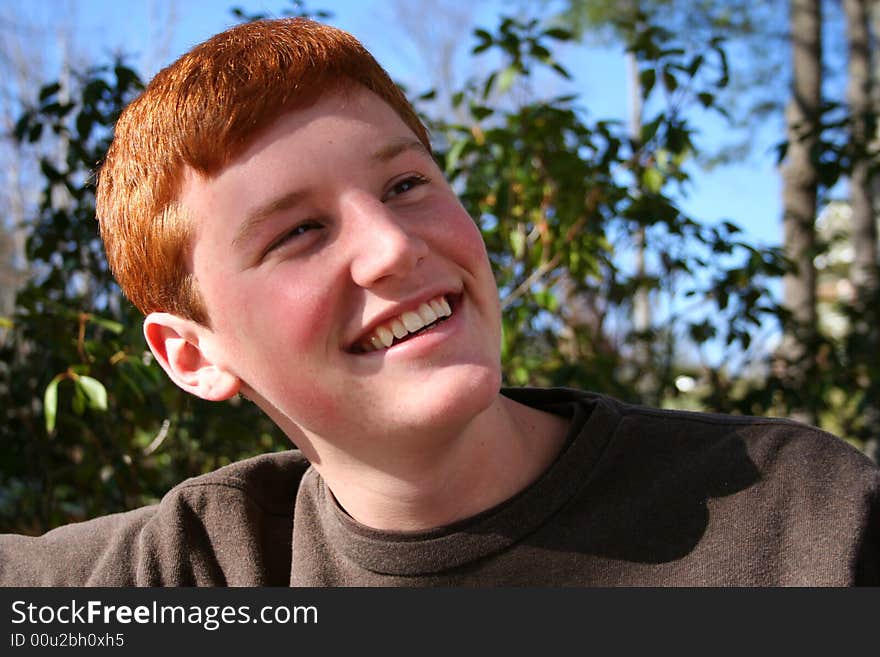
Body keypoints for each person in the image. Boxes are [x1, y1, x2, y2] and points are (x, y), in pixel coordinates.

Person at [0, 17, 877, 587]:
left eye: (408, 182)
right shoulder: (200, 575)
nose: (392, 246)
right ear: (193, 354)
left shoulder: (801, 522)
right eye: (298, 232)